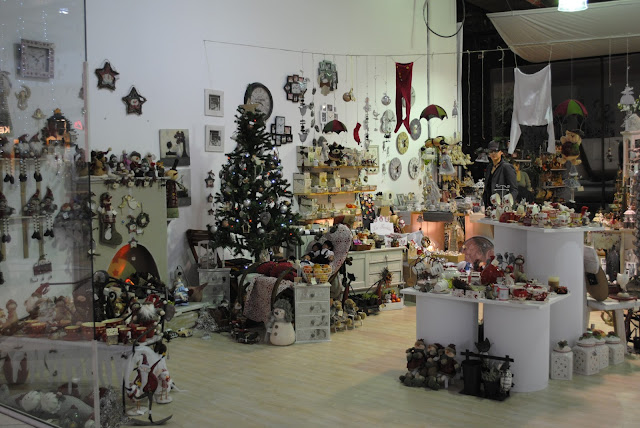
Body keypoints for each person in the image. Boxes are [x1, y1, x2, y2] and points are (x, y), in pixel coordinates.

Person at [482, 140, 518, 208]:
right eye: (491, 151)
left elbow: (514, 190)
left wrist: (507, 203)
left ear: (501, 152)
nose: (493, 153)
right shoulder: (489, 167)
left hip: (503, 206)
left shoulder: (506, 167)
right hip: (490, 206)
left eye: (496, 151)